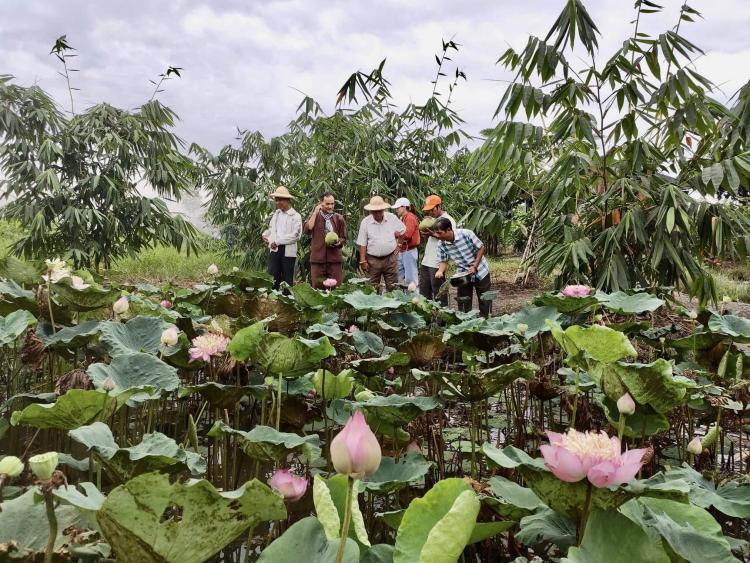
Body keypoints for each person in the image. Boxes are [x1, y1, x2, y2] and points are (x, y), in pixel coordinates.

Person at [431, 217, 492, 317]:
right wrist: (440, 271)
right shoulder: (441, 244)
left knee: (484, 298)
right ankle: (466, 324)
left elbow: (481, 247)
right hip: (463, 273)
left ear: (449, 230)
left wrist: (475, 265)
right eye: (436, 233)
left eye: (439, 233)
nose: (437, 235)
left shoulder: (466, 234)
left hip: (481, 269)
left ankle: (485, 322)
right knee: (463, 300)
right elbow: (443, 260)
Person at [356, 196, 405, 292]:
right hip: (372, 260)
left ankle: (392, 306)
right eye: (375, 211)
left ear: (383, 209)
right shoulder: (365, 222)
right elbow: (363, 243)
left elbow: (403, 231)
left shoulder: (392, 218)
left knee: (393, 286)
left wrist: (399, 245)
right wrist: (363, 260)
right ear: (371, 211)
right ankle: (374, 306)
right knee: (373, 287)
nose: (377, 213)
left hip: (390, 258)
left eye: (380, 211)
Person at [262, 186, 302, 291]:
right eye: (277, 200)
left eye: (280, 199)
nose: (278, 202)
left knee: (287, 281)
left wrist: (278, 241)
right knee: (272, 278)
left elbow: (296, 235)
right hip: (275, 249)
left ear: (288, 200)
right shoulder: (276, 214)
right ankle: (272, 302)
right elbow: (271, 229)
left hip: (288, 252)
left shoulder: (296, 216)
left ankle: (286, 304)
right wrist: (266, 235)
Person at [304, 191, 346, 289]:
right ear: (321, 203)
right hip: (318, 260)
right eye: (327, 204)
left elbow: (343, 237)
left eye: (332, 204)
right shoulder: (314, 216)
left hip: (334, 260)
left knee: (336, 289)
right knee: (318, 289)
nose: (330, 206)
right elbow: (308, 229)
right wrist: (315, 212)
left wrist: (338, 242)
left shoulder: (339, 218)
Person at [419, 195, 455, 304]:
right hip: (427, 260)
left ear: (439, 206)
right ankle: (427, 318)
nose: (430, 212)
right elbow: (428, 240)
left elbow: (450, 239)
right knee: (424, 291)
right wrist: (426, 233)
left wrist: (433, 234)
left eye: (432, 209)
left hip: (438, 261)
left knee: (438, 291)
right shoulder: (432, 220)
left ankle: (442, 318)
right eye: (428, 210)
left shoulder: (448, 220)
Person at [392, 197, 420, 289]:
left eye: (398, 208)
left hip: (409, 251)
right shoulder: (403, 218)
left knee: (411, 278)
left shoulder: (410, 218)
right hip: (404, 250)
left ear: (404, 207)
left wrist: (394, 233)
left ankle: (414, 299)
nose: (396, 210)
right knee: (399, 275)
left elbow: (407, 234)